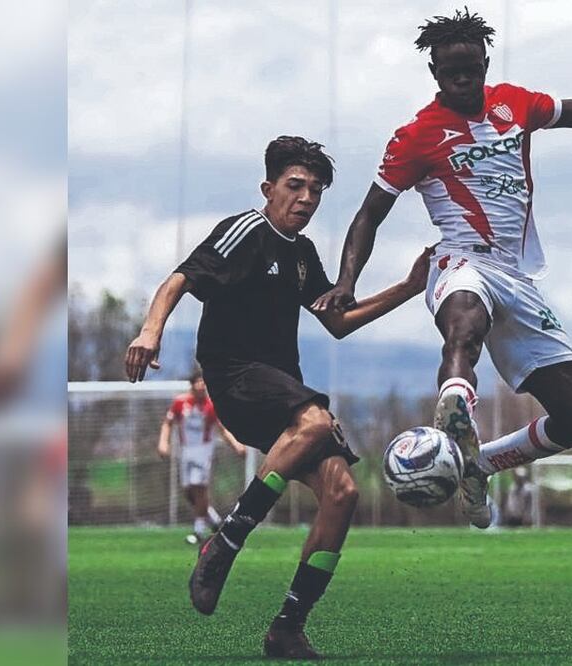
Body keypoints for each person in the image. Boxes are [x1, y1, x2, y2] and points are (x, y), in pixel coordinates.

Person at [313, 8, 572, 528]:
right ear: (434, 73)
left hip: (518, 277)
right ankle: (456, 405)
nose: (462, 79)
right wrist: (347, 283)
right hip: (459, 260)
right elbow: (369, 214)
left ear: (485, 63)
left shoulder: (516, 103)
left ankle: (476, 464)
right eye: (449, 72)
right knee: (464, 321)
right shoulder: (416, 136)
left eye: (470, 69)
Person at [125, 135, 431, 659]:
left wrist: (408, 286)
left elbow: (336, 322)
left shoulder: (303, 253)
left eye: (315, 190)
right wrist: (150, 331)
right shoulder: (246, 230)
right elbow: (179, 279)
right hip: (235, 377)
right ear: (268, 188)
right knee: (314, 421)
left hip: (281, 390)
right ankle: (224, 542)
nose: (306, 198)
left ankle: (287, 627)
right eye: (295, 186)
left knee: (343, 494)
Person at [156, 368, 246, 545]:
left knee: (199, 488)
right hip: (186, 451)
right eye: (198, 382)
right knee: (189, 493)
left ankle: (198, 532)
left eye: (204, 382)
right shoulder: (180, 403)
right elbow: (168, 423)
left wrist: (236, 445)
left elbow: (222, 429)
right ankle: (215, 521)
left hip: (203, 450)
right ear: (192, 384)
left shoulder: (210, 406)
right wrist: (163, 443)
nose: (202, 385)